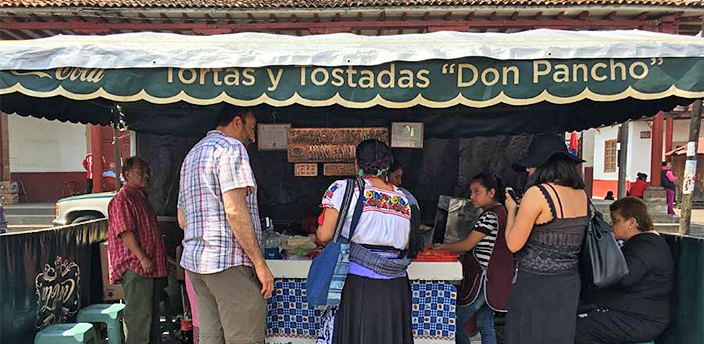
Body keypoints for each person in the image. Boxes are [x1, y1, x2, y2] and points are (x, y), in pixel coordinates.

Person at [177, 107, 273, 344]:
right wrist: (260, 264)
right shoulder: (231, 148)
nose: (252, 138)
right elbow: (234, 209)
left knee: (211, 337)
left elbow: (182, 219)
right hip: (227, 262)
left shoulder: (192, 154)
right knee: (245, 337)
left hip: (196, 264)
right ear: (236, 123)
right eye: (251, 130)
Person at [316, 139, 419, 344]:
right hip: (396, 288)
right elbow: (410, 244)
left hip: (358, 285)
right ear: (387, 166)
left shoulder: (345, 189)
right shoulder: (406, 199)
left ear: (357, 164)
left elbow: (324, 236)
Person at [504, 134, 589, 344]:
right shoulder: (581, 194)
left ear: (544, 164)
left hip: (535, 284)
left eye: (531, 164)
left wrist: (512, 211)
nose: (527, 169)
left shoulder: (538, 193)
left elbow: (513, 244)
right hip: (568, 282)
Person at [576, 197, 674, 343]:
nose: (611, 225)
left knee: (579, 328)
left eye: (616, 221)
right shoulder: (639, 243)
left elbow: (624, 278)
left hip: (641, 319)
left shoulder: (648, 245)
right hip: (629, 311)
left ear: (632, 223)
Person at [435, 173, 513, 344]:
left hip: (484, 281)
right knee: (485, 324)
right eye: (471, 192)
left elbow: (467, 245)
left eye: (477, 191)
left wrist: (442, 247)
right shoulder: (502, 212)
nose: (472, 196)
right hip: (495, 279)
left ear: (491, 192)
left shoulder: (489, 216)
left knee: (454, 322)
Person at [107, 156, 168, 344]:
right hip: (137, 267)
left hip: (150, 268)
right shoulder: (123, 199)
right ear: (127, 174)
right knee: (139, 322)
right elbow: (125, 232)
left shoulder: (141, 198)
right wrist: (143, 258)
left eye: (146, 172)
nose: (146, 176)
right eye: (140, 172)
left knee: (151, 320)